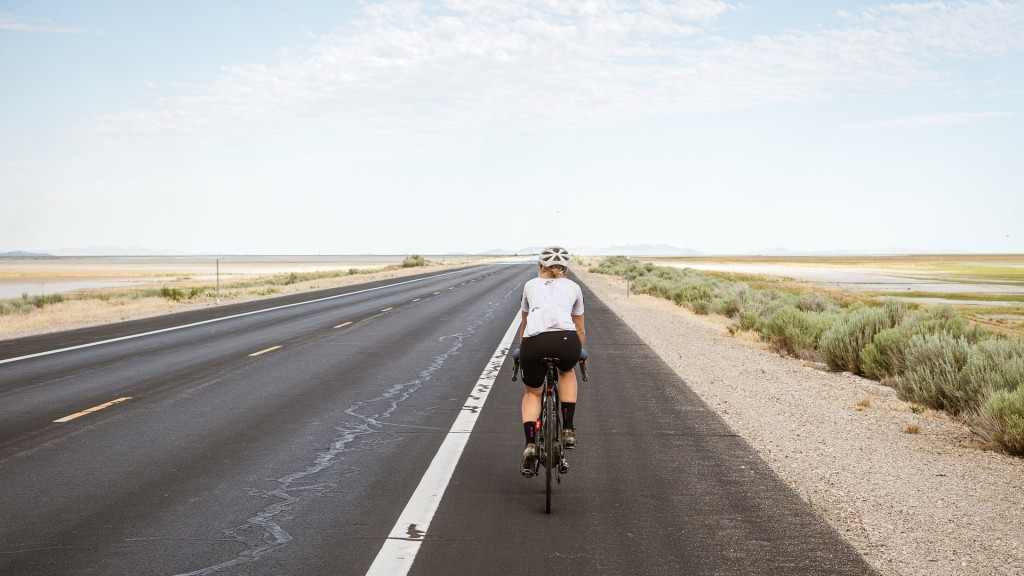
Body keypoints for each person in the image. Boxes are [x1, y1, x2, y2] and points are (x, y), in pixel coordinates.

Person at [517, 246, 586, 477]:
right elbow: (580, 328)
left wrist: (523, 350)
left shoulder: (530, 285)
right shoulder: (574, 287)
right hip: (566, 340)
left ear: (540, 266)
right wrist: (578, 352)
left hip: (534, 342)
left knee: (533, 393)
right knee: (566, 372)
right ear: (566, 268)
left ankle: (530, 445)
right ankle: (567, 430)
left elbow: (525, 325)